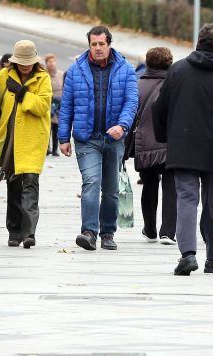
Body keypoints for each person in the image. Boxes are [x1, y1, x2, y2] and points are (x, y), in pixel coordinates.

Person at [152, 23, 213, 276]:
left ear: (198, 43)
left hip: (183, 146)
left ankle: (188, 255)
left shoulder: (177, 70)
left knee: (186, 199)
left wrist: (164, 136)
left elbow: (159, 107)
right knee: (212, 200)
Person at [58, 25, 138, 251]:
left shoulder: (126, 69)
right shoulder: (76, 70)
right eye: (94, 44)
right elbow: (67, 106)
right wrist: (63, 137)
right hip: (87, 138)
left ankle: (108, 233)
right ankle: (89, 232)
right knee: (91, 182)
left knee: (111, 190)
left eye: (101, 44)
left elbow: (132, 102)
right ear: (89, 45)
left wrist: (122, 126)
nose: (98, 48)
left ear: (109, 44)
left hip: (114, 139)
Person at [0, 40, 52, 249]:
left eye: (29, 62)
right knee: (13, 186)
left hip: (33, 138)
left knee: (30, 183)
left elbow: (43, 106)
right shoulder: (4, 76)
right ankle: (14, 232)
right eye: (22, 62)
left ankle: (29, 233)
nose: (25, 66)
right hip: (10, 139)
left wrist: (22, 94)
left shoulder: (43, 78)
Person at [134, 47, 176, 246]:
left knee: (149, 185)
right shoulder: (174, 85)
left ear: (148, 63)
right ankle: (167, 231)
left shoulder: (137, 84)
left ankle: (149, 229)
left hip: (144, 144)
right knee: (171, 186)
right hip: (170, 142)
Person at [44, 53, 63, 157]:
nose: (51, 64)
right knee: (47, 127)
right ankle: (46, 148)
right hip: (48, 103)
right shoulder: (44, 75)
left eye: (53, 61)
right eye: (49, 62)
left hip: (58, 103)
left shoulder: (60, 74)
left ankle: (55, 149)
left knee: (56, 127)